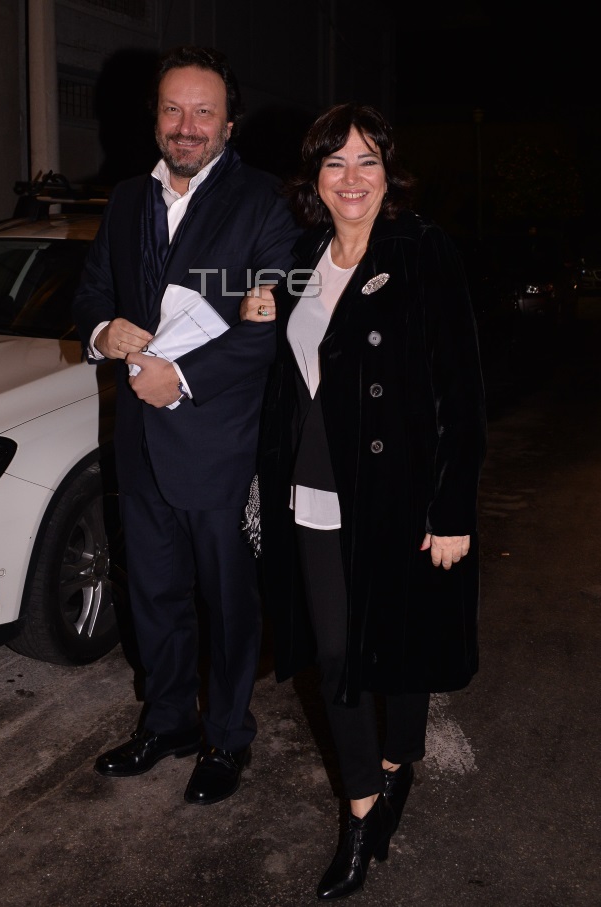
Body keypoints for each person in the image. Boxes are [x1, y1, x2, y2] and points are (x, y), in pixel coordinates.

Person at [241, 103, 487, 899]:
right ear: (314, 177)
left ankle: (395, 757)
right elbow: (290, 365)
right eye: (335, 162)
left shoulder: (422, 250)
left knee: (399, 640)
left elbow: (460, 389)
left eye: (367, 161)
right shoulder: (302, 256)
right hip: (313, 487)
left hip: (398, 492)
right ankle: (361, 807)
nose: (351, 178)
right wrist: (257, 309)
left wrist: (452, 509)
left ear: (389, 172)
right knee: (337, 655)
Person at [72, 45, 299, 805]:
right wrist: (104, 331)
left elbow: (274, 323)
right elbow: (93, 291)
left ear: (230, 124)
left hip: (221, 444)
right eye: (174, 109)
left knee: (229, 602)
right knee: (154, 594)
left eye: (204, 111)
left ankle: (228, 735)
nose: (187, 125)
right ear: (156, 119)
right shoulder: (126, 200)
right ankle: (167, 721)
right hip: (140, 443)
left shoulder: (265, 202)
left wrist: (187, 375)